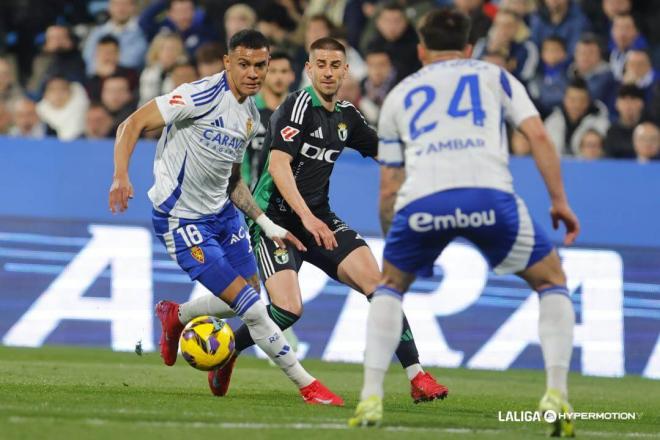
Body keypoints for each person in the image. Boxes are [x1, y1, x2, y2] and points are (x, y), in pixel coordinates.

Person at [350, 10, 580, 436]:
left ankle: (371, 396)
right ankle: (556, 395)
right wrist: (559, 201)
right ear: (470, 48)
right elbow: (540, 136)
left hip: (423, 204)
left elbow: (388, 186)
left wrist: (395, 235)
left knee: (389, 288)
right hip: (490, 197)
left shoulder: (399, 95)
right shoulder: (495, 77)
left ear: (421, 51)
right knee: (551, 280)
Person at [108, 29, 343, 406]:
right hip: (182, 220)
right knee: (251, 306)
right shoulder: (197, 96)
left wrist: (267, 224)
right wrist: (121, 175)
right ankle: (307, 385)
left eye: (260, 65)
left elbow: (234, 182)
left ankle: (177, 315)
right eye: (245, 64)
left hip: (224, 214)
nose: (253, 73)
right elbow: (130, 124)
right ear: (227, 63)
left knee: (248, 297)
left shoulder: (249, 114)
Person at [208, 36, 447, 403]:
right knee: (288, 310)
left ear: (346, 70)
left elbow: (385, 150)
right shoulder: (295, 107)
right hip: (277, 221)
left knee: (381, 288)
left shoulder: (347, 116)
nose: (328, 72)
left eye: (335, 65)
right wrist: (306, 218)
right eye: (320, 64)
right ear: (309, 68)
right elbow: (278, 166)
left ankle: (417, 377)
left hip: (320, 218)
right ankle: (226, 352)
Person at [241, 51, 296, 190]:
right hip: (254, 196)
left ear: (292, 76)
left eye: (284, 71)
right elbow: (239, 157)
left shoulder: (300, 114)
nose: (278, 77)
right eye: (273, 71)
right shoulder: (247, 111)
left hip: (290, 198)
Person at [544, 78, 610, 156]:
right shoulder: (552, 121)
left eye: (582, 100)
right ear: (565, 100)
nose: (577, 105)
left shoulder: (601, 124)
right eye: (572, 100)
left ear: (588, 101)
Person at [82, 0, 148, 75]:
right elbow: (88, 58)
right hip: (98, 78)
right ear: (109, 7)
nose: (121, 9)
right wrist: (98, 69)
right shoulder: (97, 32)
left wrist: (108, 68)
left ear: (134, 7)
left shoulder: (141, 31)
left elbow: (132, 61)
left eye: (125, 4)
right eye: (116, 4)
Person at [604, 84, 646, 158]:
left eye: (633, 99)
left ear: (641, 103)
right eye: (624, 100)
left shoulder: (650, 129)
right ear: (616, 104)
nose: (628, 105)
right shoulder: (612, 131)